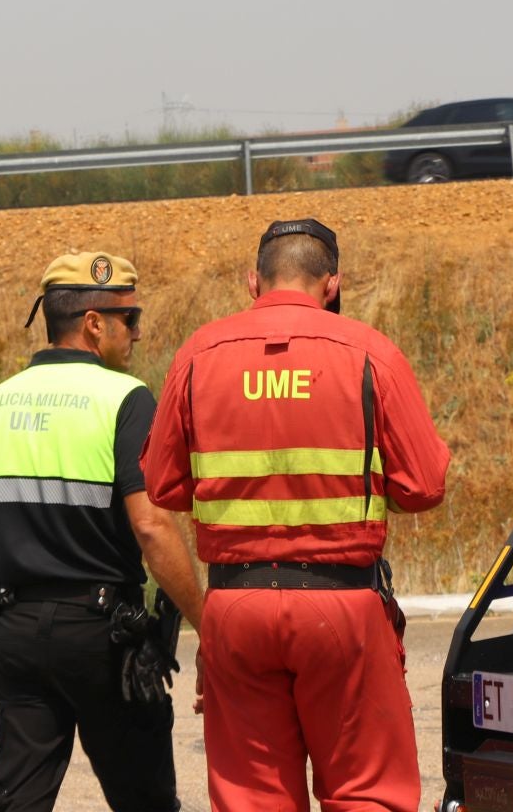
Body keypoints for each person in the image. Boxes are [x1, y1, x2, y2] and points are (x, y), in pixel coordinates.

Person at [141, 219, 451, 812]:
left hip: (235, 607)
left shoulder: (199, 355)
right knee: (365, 792)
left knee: (253, 800)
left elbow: (163, 485)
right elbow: (424, 487)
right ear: (332, 284)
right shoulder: (369, 352)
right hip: (343, 606)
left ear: (252, 281)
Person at [0, 251, 206, 812]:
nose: (138, 333)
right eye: (131, 319)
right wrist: (206, 626)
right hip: (102, 640)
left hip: (16, 631)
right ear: (94, 324)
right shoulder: (126, 399)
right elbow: (151, 526)